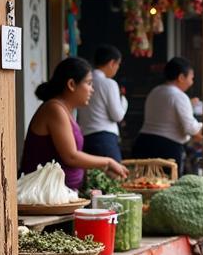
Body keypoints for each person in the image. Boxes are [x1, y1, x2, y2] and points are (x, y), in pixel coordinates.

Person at [20, 58, 128, 192]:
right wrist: (108, 162)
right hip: (45, 197)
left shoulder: (65, 110)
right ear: (71, 84)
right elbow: (71, 156)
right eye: (88, 83)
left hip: (65, 195)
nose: (91, 90)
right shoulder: (54, 109)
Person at [132, 56, 202, 176]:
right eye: (191, 78)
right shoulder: (179, 96)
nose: (192, 82)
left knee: (144, 186)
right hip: (166, 148)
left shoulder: (155, 92)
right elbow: (191, 128)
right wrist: (202, 125)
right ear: (181, 77)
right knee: (166, 189)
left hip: (143, 144)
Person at [77, 44, 128, 162]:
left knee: (92, 179)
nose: (117, 68)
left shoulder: (84, 81)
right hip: (105, 139)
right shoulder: (109, 83)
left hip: (85, 138)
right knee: (114, 178)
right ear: (112, 63)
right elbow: (118, 116)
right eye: (118, 65)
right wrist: (124, 102)